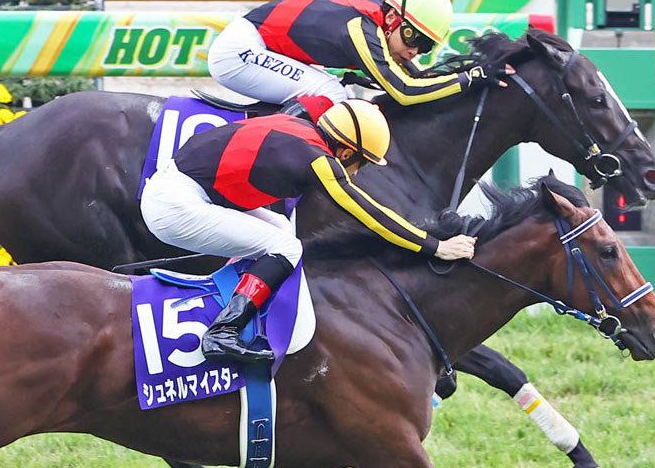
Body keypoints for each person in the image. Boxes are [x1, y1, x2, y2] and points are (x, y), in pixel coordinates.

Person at [140, 99, 477, 365]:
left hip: (179, 190)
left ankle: (235, 309)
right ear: (346, 152)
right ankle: (223, 331)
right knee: (285, 248)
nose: (357, 173)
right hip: (176, 205)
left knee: (282, 230)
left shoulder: (301, 129)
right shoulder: (318, 159)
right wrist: (433, 246)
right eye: (361, 163)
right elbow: (369, 213)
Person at [206, 0, 503, 117]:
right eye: (413, 39)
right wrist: (470, 77)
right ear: (391, 19)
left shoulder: (380, 19)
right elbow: (405, 90)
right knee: (332, 94)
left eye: (425, 47)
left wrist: (465, 75)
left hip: (258, 44)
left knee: (337, 91)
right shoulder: (361, 29)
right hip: (239, 51)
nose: (414, 52)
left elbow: (415, 77)